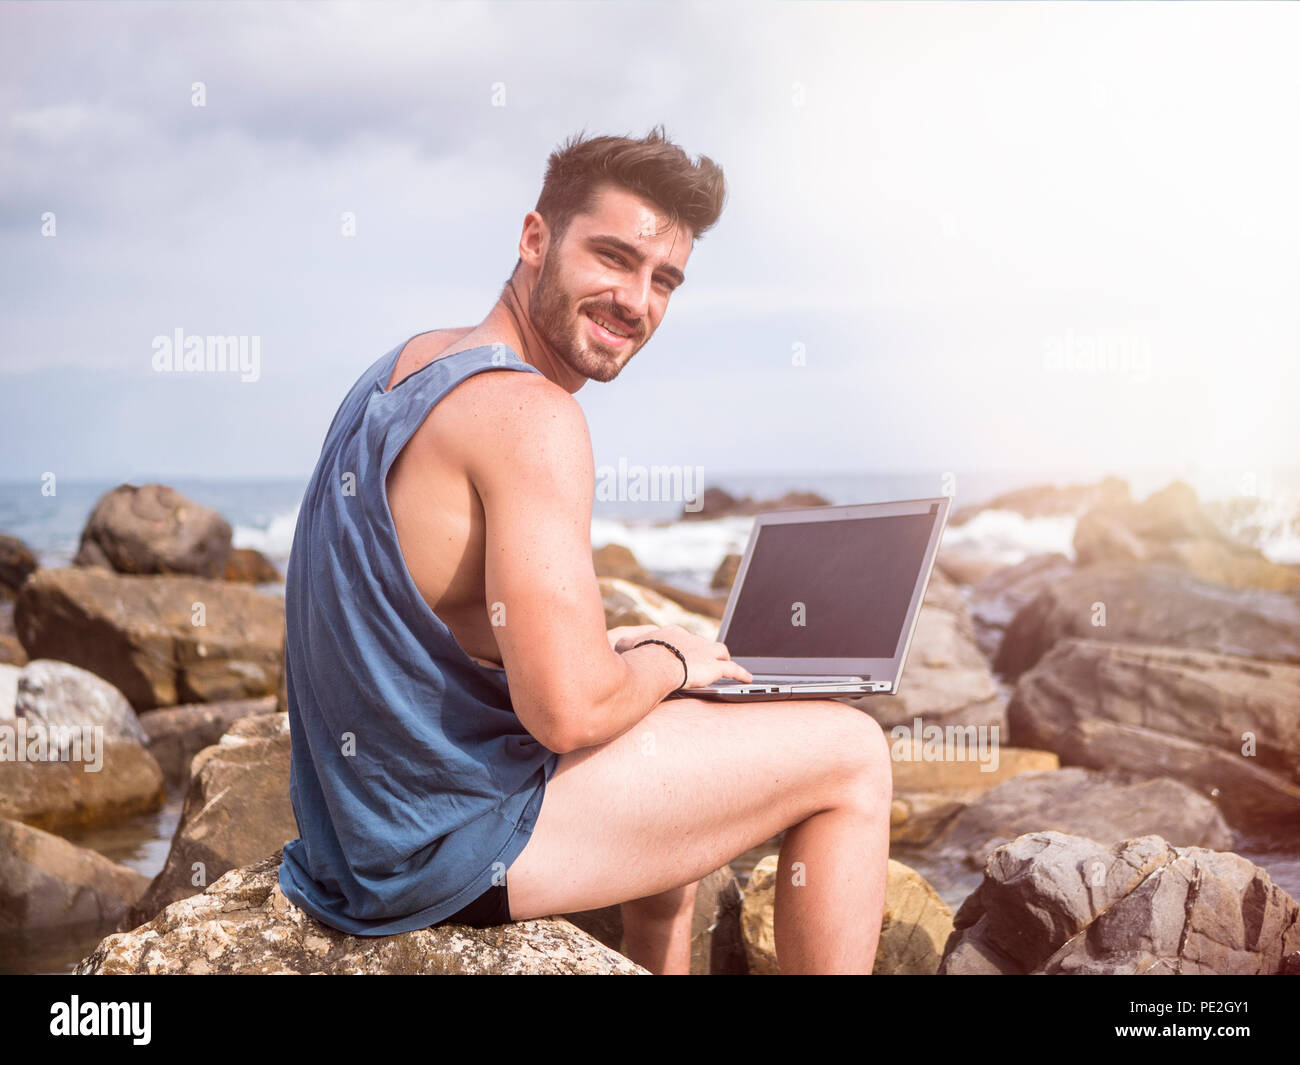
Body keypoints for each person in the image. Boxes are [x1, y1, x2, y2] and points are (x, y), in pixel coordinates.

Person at [278, 125, 892, 975]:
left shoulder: (407, 367)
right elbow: (563, 713)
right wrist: (671, 662)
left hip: (359, 834)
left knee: (659, 702)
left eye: (663, 279)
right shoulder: (533, 416)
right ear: (535, 240)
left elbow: (438, 634)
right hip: (429, 852)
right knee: (852, 752)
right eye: (613, 257)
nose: (636, 300)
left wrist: (625, 661)